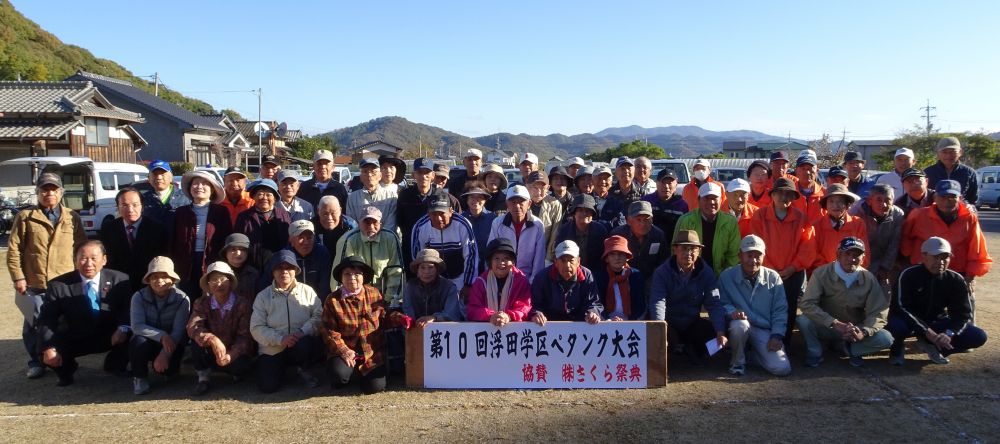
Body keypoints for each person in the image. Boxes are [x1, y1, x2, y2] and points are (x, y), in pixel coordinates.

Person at [35, 241, 131, 386]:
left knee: (134, 333)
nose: (88, 263)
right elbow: (47, 319)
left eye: (94, 258)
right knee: (46, 348)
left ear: (104, 259)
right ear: (75, 260)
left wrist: (123, 327)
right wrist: (48, 347)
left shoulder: (120, 279)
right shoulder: (58, 286)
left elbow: (128, 309)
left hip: (110, 334)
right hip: (76, 335)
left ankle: (115, 364)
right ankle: (67, 369)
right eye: (83, 258)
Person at [887, 237, 988, 365]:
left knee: (978, 336)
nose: (940, 262)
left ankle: (936, 347)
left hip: (937, 321)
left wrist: (949, 333)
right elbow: (900, 307)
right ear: (924, 256)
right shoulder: (908, 275)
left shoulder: (955, 279)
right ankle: (897, 348)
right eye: (935, 257)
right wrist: (926, 331)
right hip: (909, 321)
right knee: (897, 326)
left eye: (945, 257)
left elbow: (963, 314)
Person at [901, 180, 992, 318]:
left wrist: (970, 276)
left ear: (959, 198)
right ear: (935, 197)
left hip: (957, 271)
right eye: (943, 197)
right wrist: (909, 263)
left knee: (966, 304)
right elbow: (905, 240)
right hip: (924, 270)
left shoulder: (969, 218)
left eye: (952, 197)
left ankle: (964, 331)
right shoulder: (919, 215)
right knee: (919, 306)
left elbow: (977, 249)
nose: (947, 201)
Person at [797, 237, 893, 367]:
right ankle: (815, 352)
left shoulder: (869, 278)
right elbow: (807, 304)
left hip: (854, 329)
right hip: (826, 326)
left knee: (886, 338)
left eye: (857, 255)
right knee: (803, 320)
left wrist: (863, 332)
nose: (852, 259)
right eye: (847, 254)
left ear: (863, 258)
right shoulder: (821, 273)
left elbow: (878, 312)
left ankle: (852, 350)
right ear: (838, 255)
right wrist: (833, 323)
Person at [748, 177, 816, 346]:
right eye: (779, 193)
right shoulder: (760, 215)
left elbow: (807, 247)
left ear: (794, 197)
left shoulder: (802, 218)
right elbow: (756, 244)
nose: (783, 197)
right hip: (765, 271)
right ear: (772, 195)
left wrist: (793, 268)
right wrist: (770, 268)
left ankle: (784, 343)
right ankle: (761, 342)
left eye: (788, 194)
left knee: (789, 308)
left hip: (793, 274)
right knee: (763, 306)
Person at [321, 256, 403, 394]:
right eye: (347, 273)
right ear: (341, 277)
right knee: (339, 377)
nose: (352, 277)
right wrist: (344, 351)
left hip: (371, 350)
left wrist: (400, 319)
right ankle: (349, 373)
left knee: (375, 387)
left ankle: (361, 373)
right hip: (346, 348)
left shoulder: (374, 293)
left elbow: (384, 316)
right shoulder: (332, 300)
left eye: (357, 274)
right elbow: (329, 330)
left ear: (363, 276)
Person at [250, 250, 323, 393]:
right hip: (272, 349)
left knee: (307, 344)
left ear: (295, 270)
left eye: (289, 268)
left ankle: (303, 369)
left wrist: (302, 332)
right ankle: (281, 371)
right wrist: (280, 339)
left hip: (300, 343)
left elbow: (319, 316)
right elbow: (256, 328)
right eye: (279, 268)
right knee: (268, 387)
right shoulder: (262, 296)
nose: (284, 272)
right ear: (273, 271)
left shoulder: (307, 291)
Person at [719, 235, 791, 376]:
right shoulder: (726, 276)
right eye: (749, 255)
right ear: (740, 255)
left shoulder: (774, 277)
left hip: (764, 329)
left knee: (782, 369)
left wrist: (777, 335)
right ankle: (737, 362)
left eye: (758, 256)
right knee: (739, 325)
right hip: (739, 325)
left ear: (764, 256)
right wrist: (732, 312)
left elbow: (780, 310)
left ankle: (752, 355)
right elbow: (721, 303)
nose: (753, 260)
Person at [649, 230, 726, 362]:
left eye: (693, 249)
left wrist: (720, 331)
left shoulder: (706, 272)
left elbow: (713, 303)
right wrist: (660, 328)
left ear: (699, 251)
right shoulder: (662, 272)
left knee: (718, 333)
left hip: (692, 322)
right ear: (675, 249)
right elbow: (658, 302)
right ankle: (672, 350)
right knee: (657, 336)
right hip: (669, 322)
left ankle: (691, 350)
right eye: (684, 248)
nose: (688, 253)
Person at [187, 261, 255, 395]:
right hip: (211, 350)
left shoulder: (242, 304)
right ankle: (203, 378)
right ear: (208, 285)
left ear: (230, 281)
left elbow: (245, 337)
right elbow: (193, 326)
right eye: (213, 280)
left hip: (233, 352)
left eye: (223, 279)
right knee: (196, 342)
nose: (219, 284)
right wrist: (212, 339)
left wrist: (230, 355)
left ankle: (235, 374)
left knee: (241, 365)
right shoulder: (201, 303)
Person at [128, 256, 190, 395]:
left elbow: (178, 331)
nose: (159, 281)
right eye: (154, 276)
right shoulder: (138, 297)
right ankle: (139, 377)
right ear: (148, 279)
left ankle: (171, 370)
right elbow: (137, 326)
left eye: (164, 276)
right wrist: (162, 336)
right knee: (137, 341)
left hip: (172, 343)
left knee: (168, 371)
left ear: (172, 279)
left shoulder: (182, 299)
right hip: (149, 340)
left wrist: (165, 354)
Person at [170, 170, 231, 300]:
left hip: (211, 261)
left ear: (212, 189)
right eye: (195, 184)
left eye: (204, 184)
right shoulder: (181, 212)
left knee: (212, 300)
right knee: (188, 299)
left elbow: (226, 240)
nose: (199, 187)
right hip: (186, 264)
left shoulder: (221, 212)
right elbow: (173, 241)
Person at [100, 186, 168, 293]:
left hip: (148, 285)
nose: (130, 210)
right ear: (118, 207)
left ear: (142, 206)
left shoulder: (157, 229)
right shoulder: (108, 229)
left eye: (135, 205)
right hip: (117, 285)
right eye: (124, 205)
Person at [333, 206, 405, 306]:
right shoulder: (349, 239)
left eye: (374, 222)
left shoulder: (390, 238)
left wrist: (389, 300)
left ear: (381, 223)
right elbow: (344, 274)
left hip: (385, 297)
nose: (371, 227)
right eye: (366, 222)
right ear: (359, 223)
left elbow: (396, 271)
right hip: (357, 297)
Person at [411, 191, 479, 296]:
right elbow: (418, 258)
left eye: (442, 213)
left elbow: (471, 256)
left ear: (451, 211)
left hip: (459, 278)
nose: (438, 218)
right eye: (434, 214)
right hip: (432, 279)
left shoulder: (463, 224)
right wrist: (424, 282)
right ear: (428, 213)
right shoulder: (420, 227)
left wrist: (468, 284)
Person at [397, 158, 460, 265]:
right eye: (419, 172)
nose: (423, 176)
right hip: (410, 246)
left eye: (427, 172)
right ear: (413, 175)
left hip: (436, 246)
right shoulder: (405, 195)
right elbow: (400, 220)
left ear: (433, 175)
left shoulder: (442, 196)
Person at [673, 183, 741, 277]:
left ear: (721, 200)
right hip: (690, 276)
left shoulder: (730, 222)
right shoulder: (686, 220)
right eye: (707, 198)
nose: (711, 202)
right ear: (698, 200)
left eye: (714, 198)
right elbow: (676, 251)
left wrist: (724, 277)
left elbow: (733, 255)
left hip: (721, 276)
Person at [529, 241, 603, 325]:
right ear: (556, 262)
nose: (567, 265)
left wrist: (593, 312)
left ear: (578, 261)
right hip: (549, 325)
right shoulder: (541, 277)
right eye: (563, 260)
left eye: (571, 260)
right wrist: (536, 314)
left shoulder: (587, 276)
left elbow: (594, 303)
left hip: (580, 326)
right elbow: (535, 304)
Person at [849, 184, 904, 295]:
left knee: (882, 297)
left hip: (883, 259)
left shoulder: (898, 215)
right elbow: (852, 243)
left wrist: (885, 267)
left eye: (888, 200)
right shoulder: (856, 213)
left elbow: (894, 243)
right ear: (869, 201)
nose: (883, 204)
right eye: (878, 200)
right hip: (859, 259)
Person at [467, 238, 532, 325]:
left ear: (512, 262)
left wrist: (508, 316)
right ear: (490, 261)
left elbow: (525, 307)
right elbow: (472, 310)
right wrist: (490, 316)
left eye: (506, 258)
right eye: (496, 258)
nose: (501, 263)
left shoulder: (521, 281)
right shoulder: (480, 282)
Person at [259, 220, 332, 296]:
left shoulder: (322, 253)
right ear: (291, 240)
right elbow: (265, 284)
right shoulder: (282, 258)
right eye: (301, 238)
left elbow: (325, 286)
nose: (306, 242)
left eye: (309, 237)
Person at [488, 185, 547, 280]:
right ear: (507, 204)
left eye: (521, 202)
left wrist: (533, 282)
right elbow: (491, 252)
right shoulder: (498, 223)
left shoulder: (537, 225)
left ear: (529, 204)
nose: (517, 206)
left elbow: (539, 259)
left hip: (526, 278)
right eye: (513, 202)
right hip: (501, 277)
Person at [235, 178, 292, 271]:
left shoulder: (283, 215)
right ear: (254, 197)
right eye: (260, 194)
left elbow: (289, 240)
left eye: (268, 194)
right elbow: (238, 243)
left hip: (279, 266)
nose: (264, 198)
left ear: (274, 198)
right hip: (252, 266)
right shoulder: (244, 217)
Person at [811, 183, 868, 271]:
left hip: (852, 272)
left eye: (840, 201)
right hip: (824, 274)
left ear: (847, 204)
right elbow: (813, 254)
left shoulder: (858, 223)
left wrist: (851, 269)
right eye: (831, 201)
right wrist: (832, 270)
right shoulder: (816, 226)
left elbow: (865, 253)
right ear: (825, 205)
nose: (835, 205)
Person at [611, 201, 669, 284]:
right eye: (638, 219)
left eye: (646, 219)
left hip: (651, 280)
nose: (643, 224)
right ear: (629, 221)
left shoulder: (658, 236)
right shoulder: (618, 235)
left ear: (652, 220)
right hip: (623, 279)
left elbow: (663, 262)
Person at [403, 249, 464, 325]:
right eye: (422, 267)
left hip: (443, 332)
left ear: (437, 269)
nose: (426, 272)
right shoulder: (409, 287)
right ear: (417, 270)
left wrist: (434, 318)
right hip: (417, 331)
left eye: (430, 267)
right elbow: (408, 314)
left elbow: (452, 315)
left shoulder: (449, 287)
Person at [593, 235, 646, 321]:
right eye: (612, 254)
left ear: (627, 257)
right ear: (606, 258)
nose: (617, 257)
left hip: (632, 323)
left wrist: (630, 321)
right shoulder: (599, 277)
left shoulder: (636, 275)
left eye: (621, 254)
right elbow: (597, 303)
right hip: (605, 323)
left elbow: (640, 305)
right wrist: (608, 319)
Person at [554, 194, 610, 272]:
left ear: (592, 214)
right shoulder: (564, 231)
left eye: (587, 211)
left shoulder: (601, 231)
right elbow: (559, 255)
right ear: (574, 213)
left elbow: (604, 258)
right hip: (569, 270)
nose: (584, 214)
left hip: (596, 272)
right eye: (580, 210)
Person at [347, 158, 399, 233]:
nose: (369, 175)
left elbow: (391, 226)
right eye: (365, 172)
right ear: (360, 177)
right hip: (359, 242)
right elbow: (352, 225)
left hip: (386, 242)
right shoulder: (352, 198)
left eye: (373, 172)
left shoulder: (391, 197)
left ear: (380, 175)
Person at [924, 136, 978, 205]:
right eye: (944, 152)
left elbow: (973, 199)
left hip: (961, 213)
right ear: (938, 153)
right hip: (934, 213)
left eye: (953, 152)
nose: (948, 155)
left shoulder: (969, 173)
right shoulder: (928, 172)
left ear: (960, 152)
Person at [525, 171, 563, 260]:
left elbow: (555, 233)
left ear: (548, 188)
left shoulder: (554, 204)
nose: (538, 192)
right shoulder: (521, 202)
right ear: (527, 187)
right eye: (534, 187)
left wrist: (548, 259)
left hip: (544, 253)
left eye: (542, 188)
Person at [140, 160, 190, 227]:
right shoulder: (142, 199)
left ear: (171, 177)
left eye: (163, 174)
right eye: (155, 174)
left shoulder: (185, 196)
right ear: (149, 178)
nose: (159, 177)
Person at [643, 168, 688, 238]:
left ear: (676, 185)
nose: (666, 186)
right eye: (663, 182)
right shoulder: (646, 201)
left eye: (670, 183)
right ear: (656, 183)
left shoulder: (682, 205)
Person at [461, 186, 498, 271]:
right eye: (472, 197)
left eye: (480, 197)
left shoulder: (493, 219)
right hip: (465, 267)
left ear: (485, 200)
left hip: (488, 267)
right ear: (467, 200)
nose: (475, 200)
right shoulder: (461, 220)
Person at [219, 233, 260, 301]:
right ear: (225, 253)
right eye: (233, 249)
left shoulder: (254, 274)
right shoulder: (218, 273)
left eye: (242, 249)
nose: (238, 253)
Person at [791, 153, 825, 222]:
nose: (807, 172)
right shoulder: (788, 193)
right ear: (796, 171)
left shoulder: (825, 194)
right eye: (803, 168)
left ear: (817, 171)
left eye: (810, 168)